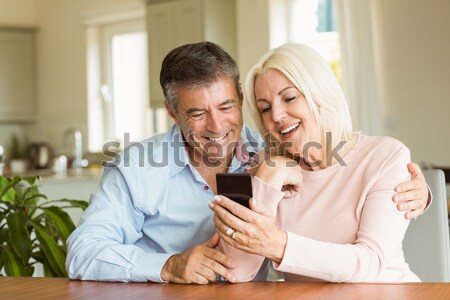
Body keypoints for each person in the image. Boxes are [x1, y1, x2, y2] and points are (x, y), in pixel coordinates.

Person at [66, 41, 429, 284]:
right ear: (173, 113)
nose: (217, 126)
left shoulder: (272, 150)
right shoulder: (137, 167)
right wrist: (167, 265)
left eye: (226, 107)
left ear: (240, 99)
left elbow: (361, 191)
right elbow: (83, 253)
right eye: (196, 113)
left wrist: (418, 193)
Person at [209, 43, 423, 282]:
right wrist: (269, 178)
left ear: (320, 95)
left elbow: (370, 263)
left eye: (289, 98)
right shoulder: (264, 166)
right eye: (265, 108)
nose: (276, 116)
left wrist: (278, 245)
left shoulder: (384, 156)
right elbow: (235, 269)